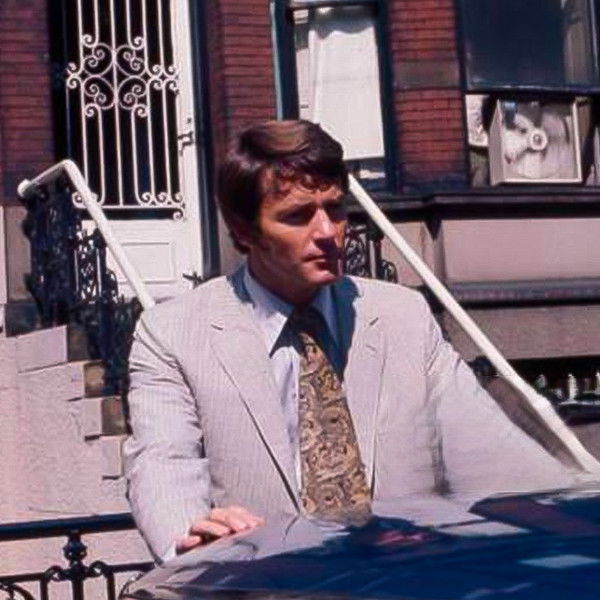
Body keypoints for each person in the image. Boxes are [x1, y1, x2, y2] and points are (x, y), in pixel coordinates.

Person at [123, 120, 584, 562]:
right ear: (245, 232)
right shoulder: (174, 333)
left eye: (335, 209)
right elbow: (163, 463)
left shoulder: (403, 317)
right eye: (298, 216)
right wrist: (192, 542)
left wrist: (578, 520)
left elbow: (495, 457)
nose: (328, 233)